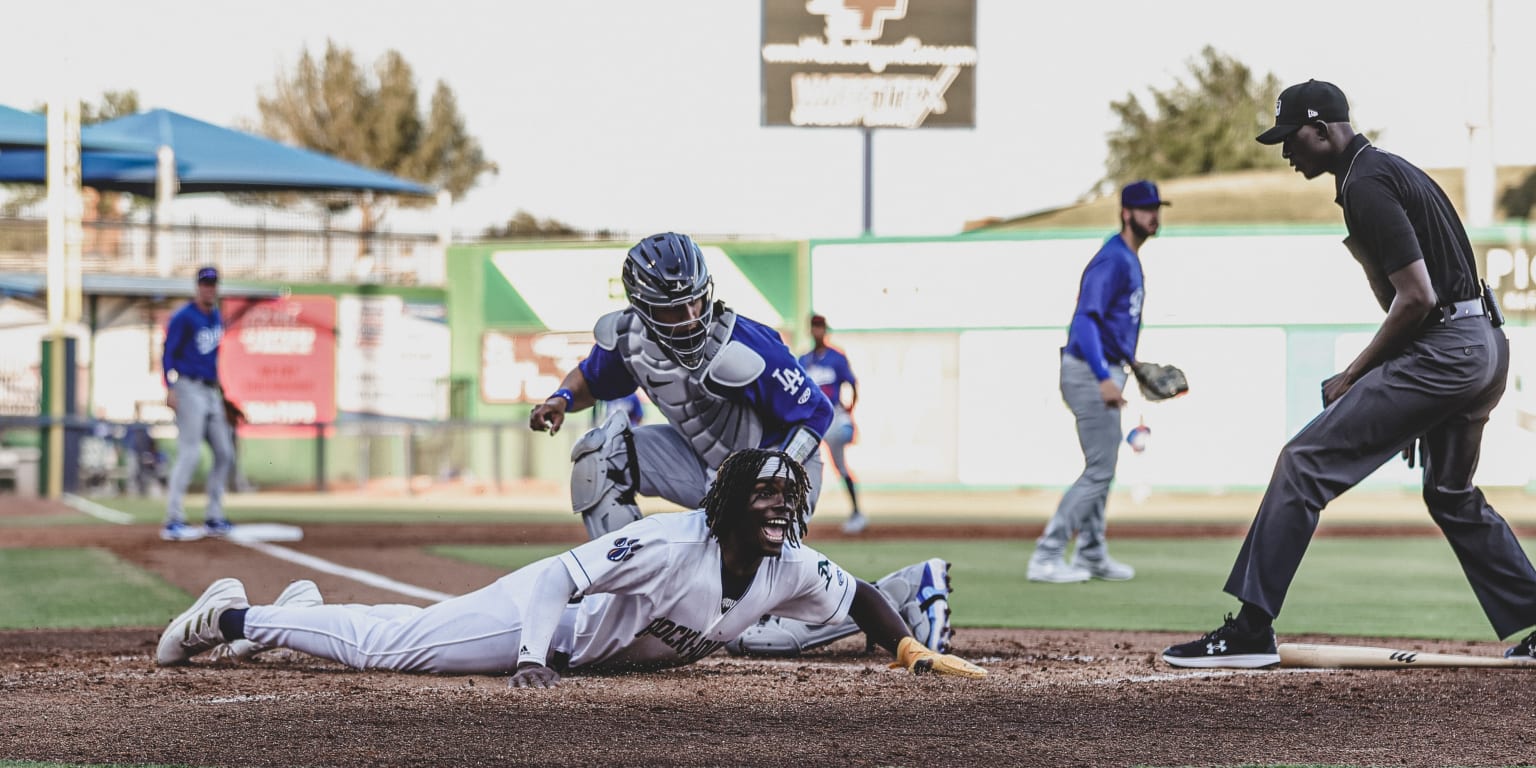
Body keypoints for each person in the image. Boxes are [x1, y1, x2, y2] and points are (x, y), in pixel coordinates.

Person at [1163, 80, 1536, 668]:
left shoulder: (1365, 182)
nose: (1286, 151)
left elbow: (1415, 297)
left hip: (1446, 350)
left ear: (1324, 129)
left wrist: (1355, 376)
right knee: (1450, 493)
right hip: (1483, 345)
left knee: (1302, 460)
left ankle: (1252, 630)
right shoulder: (1391, 170)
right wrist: (1425, 394)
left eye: (1291, 138)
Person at [154, 449, 988, 685]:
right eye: (764, 497)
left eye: (788, 499)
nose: (780, 509)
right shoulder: (668, 543)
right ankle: (230, 616)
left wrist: (909, 650)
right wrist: (526, 657)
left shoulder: (788, 565)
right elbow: (557, 576)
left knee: (386, 635)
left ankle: (298, 611)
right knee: (390, 647)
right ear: (728, 504)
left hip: (593, 652)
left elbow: (867, 598)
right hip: (545, 627)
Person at [528, 232, 954, 656]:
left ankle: (906, 592)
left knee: (755, 635)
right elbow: (591, 379)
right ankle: (629, 596)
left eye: (695, 300)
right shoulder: (630, 339)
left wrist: (774, 480)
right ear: (643, 307)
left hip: (774, 470)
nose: (692, 315)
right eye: (675, 308)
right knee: (598, 456)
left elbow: (817, 413)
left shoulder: (748, 344)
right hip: (701, 463)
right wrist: (560, 399)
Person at [1026, 180, 1168, 584]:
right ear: (1127, 213)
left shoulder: (1128, 258)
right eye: (1146, 208)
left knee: (1102, 468)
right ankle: (1048, 553)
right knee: (1099, 470)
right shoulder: (1113, 259)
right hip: (1090, 371)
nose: (1154, 215)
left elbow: (1107, 325)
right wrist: (1105, 377)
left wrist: (1132, 364)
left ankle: (1090, 553)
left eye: (1157, 207)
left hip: (1103, 368)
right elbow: (1085, 320)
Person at [160, 266, 236, 542]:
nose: (209, 288)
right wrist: (169, 387)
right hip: (188, 387)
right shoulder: (184, 317)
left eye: (213, 283)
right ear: (197, 287)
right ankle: (173, 519)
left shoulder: (215, 315)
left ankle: (214, 515)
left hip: (210, 390)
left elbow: (211, 359)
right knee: (190, 453)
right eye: (205, 284)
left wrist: (222, 393)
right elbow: (168, 353)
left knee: (225, 452)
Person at [799, 314, 866, 534]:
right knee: (799, 465)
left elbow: (852, 383)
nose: (817, 332)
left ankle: (857, 513)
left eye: (820, 328)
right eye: (814, 328)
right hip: (813, 419)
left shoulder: (836, 357)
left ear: (825, 330)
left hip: (834, 415)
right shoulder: (804, 360)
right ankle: (797, 515)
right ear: (810, 330)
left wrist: (850, 409)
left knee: (840, 465)